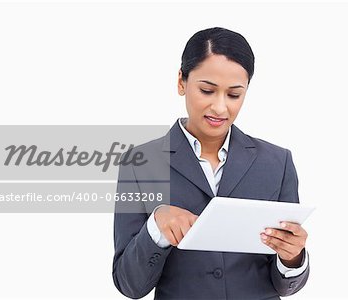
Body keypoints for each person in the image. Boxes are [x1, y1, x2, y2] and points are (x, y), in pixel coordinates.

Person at [112, 27, 310, 300]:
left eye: (234, 95)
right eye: (207, 90)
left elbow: (287, 284)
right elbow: (129, 284)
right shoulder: (139, 164)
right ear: (181, 82)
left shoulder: (277, 162)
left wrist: (292, 258)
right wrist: (156, 229)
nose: (220, 108)